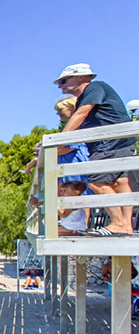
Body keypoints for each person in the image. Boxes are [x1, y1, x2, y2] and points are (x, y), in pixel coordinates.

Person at [55, 63, 137, 235]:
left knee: (97, 182)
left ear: (81, 77)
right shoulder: (85, 97)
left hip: (111, 142)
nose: (60, 86)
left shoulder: (94, 87)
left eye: (63, 81)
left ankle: (118, 223)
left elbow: (81, 115)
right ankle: (126, 226)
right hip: (119, 142)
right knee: (119, 182)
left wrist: (59, 142)